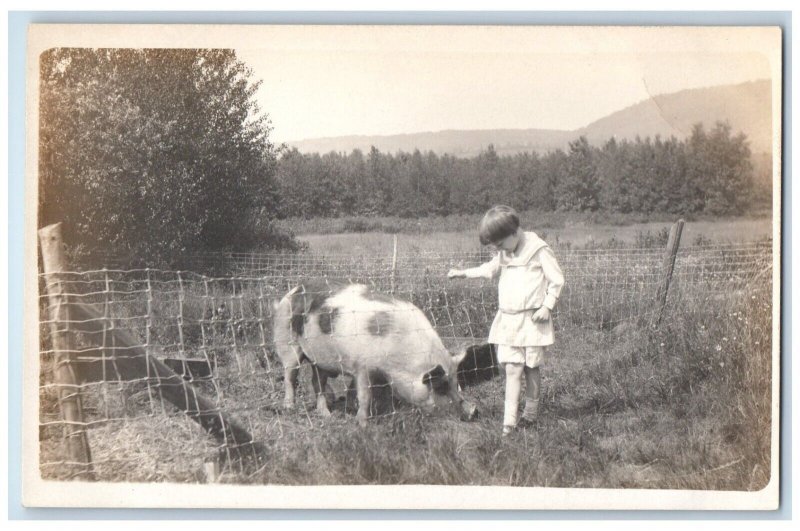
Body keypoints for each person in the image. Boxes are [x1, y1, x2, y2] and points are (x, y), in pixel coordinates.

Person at [448, 205, 564, 436]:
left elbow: (557, 280)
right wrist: (463, 273)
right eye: (495, 247)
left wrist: (547, 306)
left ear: (514, 233)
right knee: (511, 369)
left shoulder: (538, 250)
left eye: (500, 244)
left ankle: (529, 415)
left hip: (532, 321)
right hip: (509, 321)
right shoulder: (504, 253)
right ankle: (508, 424)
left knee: (530, 368)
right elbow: (488, 270)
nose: (498, 250)